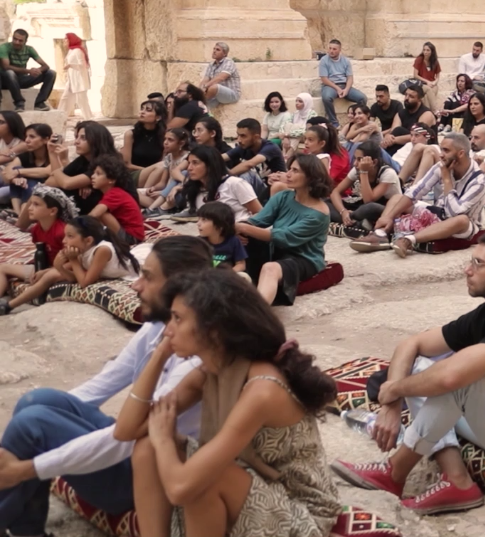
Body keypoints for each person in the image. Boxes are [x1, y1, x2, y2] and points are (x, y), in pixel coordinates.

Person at [333, 232, 485, 514]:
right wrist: (391, 403)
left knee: (460, 379)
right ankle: (457, 481)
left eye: (478, 264)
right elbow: (411, 344)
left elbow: (451, 378)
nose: (467, 270)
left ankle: (394, 472)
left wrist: (395, 389)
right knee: (420, 368)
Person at [0, 236, 212, 536]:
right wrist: (55, 423)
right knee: (35, 402)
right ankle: (27, 530)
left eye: (148, 277)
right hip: (129, 447)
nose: (135, 285)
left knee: (32, 425)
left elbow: (124, 438)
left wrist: (30, 467)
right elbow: (103, 384)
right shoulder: (157, 328)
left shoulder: (197, 363)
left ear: (180, 288)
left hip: (146, 474)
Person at [117, 267, 343, 537]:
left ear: (213, 330)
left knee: (203, 480)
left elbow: (179, 490)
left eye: (177, 319)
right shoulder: (212, 370)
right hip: (250, 484)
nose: (168, 330)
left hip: (299, 509)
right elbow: (126, 430)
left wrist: (165, 440)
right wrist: (159, 355)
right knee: (146, 448)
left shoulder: (262, 390)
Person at [350, 133, 485, 257]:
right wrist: (389, 216)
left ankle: (408, 240)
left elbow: (454, 213)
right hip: (439, 213)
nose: (441, 154)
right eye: (441, 149)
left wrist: (447, 180)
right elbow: (416, 191)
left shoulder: (479, 181)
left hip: (462, 226)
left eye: (446, 150)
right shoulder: (442, 166)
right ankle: (380, 235)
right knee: (397, 198)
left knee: (462, 220)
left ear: (461, 153)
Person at [236, 155, 330, 306]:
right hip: (277, 250)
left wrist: (243, 227)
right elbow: (259, 220)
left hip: (303, 258)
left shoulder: (319, 214)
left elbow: (283, 237)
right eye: (289, 169)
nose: (288, 174)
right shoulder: (283, 196)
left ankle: (258, 312)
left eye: (295, 171)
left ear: (311, 177)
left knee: (270, 268)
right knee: (235, 239)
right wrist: (240, 229)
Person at [0, 216, 139, 315]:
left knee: (51, 276)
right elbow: (72, 277)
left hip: (138, 268)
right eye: (65, 236)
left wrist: (73, 260)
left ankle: (9, 305)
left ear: (88, 240)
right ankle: (8, 305)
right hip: (84, 265)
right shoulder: (82, 249)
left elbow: (84, 282)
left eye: (70, 236)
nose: (64, 241)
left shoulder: (102, 250)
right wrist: (55, 268)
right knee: (50, 275)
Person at [45, 121, 120, 214]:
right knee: (43, 194)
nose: (76, 142)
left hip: (114, 213)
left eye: (83, 138)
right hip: (93, 210)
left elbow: (66, 183)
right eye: (77, 137)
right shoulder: (83, 159)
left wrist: (74, 181)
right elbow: (50, 182)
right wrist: (52, 153)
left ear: (96, 140)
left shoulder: (106, 162)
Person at [328, 140, 398, 230]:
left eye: (359, 159)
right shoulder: (356, 169)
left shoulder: (388, 173)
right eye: (355, 158)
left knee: (370, 208)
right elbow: (335, 192)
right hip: (361, 206)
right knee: (325, 202)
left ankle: (352, 219)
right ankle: (355, 221)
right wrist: (343, 211)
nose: (355, 163)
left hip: (384, 208)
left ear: (374, 162)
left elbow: (368, 200)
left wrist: (364, 172)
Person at [87, 155, 145, 243]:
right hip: (129, 232)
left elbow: (94, 215)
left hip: (132, 237)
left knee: (102, 214)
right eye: (93, 173)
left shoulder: (114, 193)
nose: (92, 176)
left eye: (98, 174)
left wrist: (78, 226)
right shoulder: (112, 192)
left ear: (111, 180)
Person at [0, 28, 54, 112]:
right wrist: (29, 71)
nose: (17, 42)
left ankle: (39, 103)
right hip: (6, 80)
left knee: (51, 73)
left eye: (20, 41)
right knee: (10, 73)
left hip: (21, 79)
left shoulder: (29, 49)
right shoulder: (4, 47)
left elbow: (45, 66)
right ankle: (19, 103)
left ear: (25, 41)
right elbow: (6, 66)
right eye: (15, 39)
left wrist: (37, 70)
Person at [317, 39, 366, 126]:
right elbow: (324, 79)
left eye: (334, 49)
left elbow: (350, 78)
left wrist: (346, 90)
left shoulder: (346, 61)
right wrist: (338, 89)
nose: (331, 51)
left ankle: (357, 119)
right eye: (330, 48)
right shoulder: (324, 60)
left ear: (340, 50)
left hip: (344, 85)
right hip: (330, 85)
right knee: (326, 98)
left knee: (362, 98)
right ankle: (334, 122)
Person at [124, 99, 168, 182]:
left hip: (157, 174)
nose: (142, 112)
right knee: (160, 168)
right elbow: (127, 165)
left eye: (148, 110)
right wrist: (151, 170)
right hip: (133, 174)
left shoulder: (164, 136)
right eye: (142, 109)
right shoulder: (131, 134)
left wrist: (154, 171)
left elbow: (163, 161)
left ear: (158, 117)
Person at [59, 32, 94, 120]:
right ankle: (60, 118)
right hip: (71, 80)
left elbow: (83, 65)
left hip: (79, 80)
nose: (64, 40)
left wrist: (70, 65)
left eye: (66, 38)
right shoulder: (71, 51)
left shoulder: (78, 51)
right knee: (65, 99)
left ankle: (89, 119)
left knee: (82, 101)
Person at [201, 41, 241, 109]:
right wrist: (199, 89)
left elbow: (221, 78)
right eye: (214, 49)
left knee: (213, 87)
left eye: (218, 50)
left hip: (232, 94)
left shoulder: (229, 62)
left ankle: (198, 102)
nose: (214, 51)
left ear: (224, 54)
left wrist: (205, 87)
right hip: (217, 94)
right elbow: (205, 79)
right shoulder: (211, 64)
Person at [412, 41, 442, 107]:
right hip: (421, 83)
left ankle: (427, 111)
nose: (425, 52)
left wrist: (434, 82)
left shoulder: (435, 61)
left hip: (432, 83)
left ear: (432, 51)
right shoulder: (419, 59)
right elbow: (415, 75)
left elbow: (437, 77)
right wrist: (427, 82)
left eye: (428, 50)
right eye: (424, 50)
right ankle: (435, 110)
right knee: (429, 90)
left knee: (427, 96)